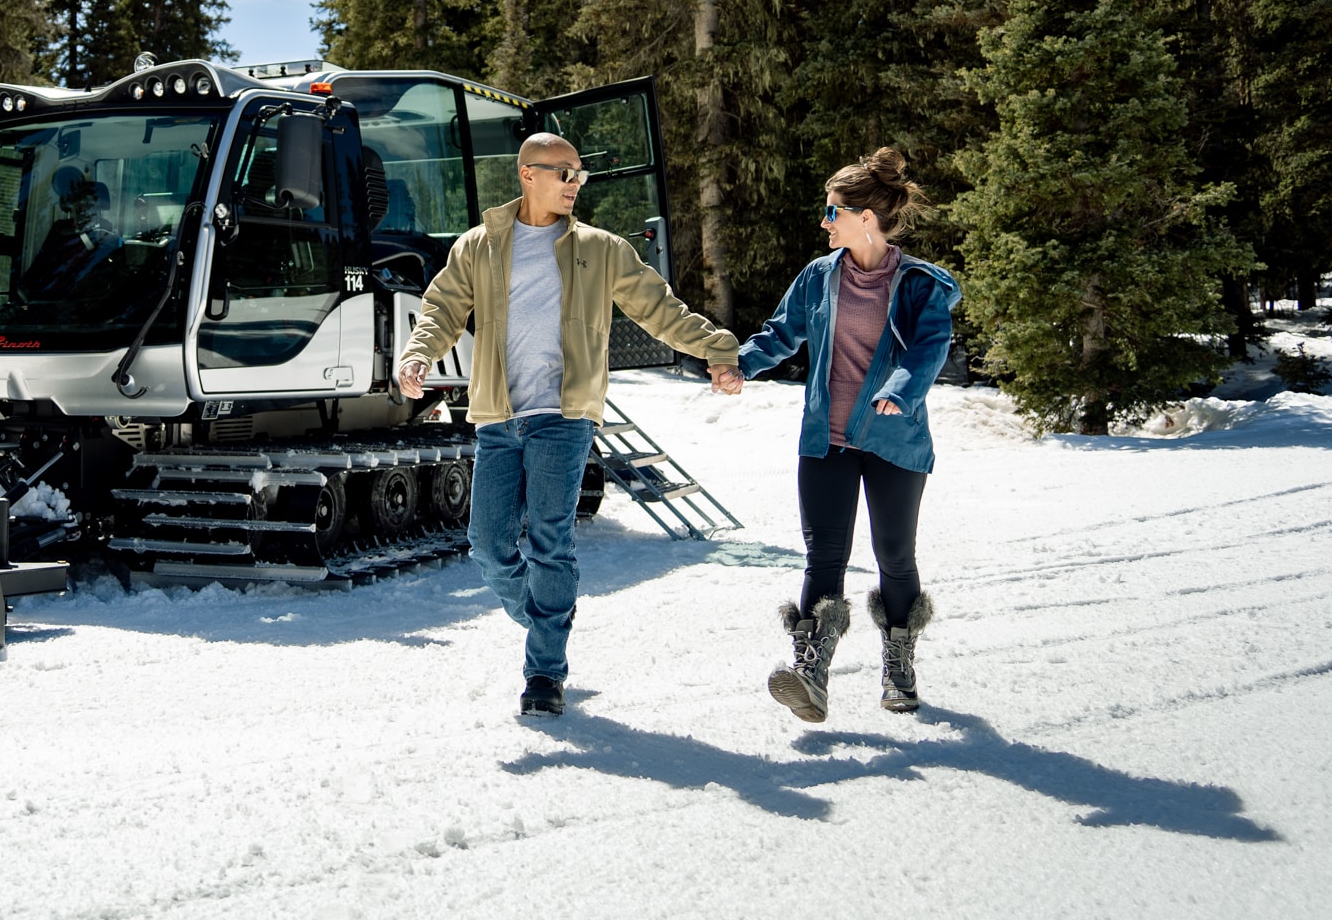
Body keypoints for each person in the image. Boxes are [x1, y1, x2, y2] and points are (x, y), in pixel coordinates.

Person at [399, 132, 745, 718]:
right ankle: (547, 621)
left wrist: (718, 349)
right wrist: (419, 353)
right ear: (527, 175)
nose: (575, 184)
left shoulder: (601, 249)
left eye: (580, 174)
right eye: (564, 173)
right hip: (499, 419)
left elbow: (660, 308)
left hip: (563, 418)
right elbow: (441, 307)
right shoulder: (478, 246)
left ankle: (544, 673)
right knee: (487, 546)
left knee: (549, 541)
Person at [725, 147, 959, 722]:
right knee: (822, 556)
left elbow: (930, 349)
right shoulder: (820, 277)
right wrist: (739, 364)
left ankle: (899, 664)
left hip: (893, 441)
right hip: (825, 439)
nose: (824, 222)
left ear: (865, 219)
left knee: (894, 556)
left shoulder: (917, 286)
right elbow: (781, 332)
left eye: (832, 212)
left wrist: (900, 391)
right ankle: (811, 673)